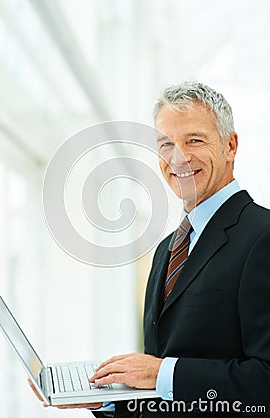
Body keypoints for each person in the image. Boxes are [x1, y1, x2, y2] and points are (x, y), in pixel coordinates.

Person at [30, 82, 270, 416]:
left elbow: (265, 382)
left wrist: (161, 373)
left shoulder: (263, 236)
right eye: (165, 144)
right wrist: (112, 397)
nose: (178, 157)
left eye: (195, 140)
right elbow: (165, 393)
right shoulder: (166, 250)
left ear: (231, 146)